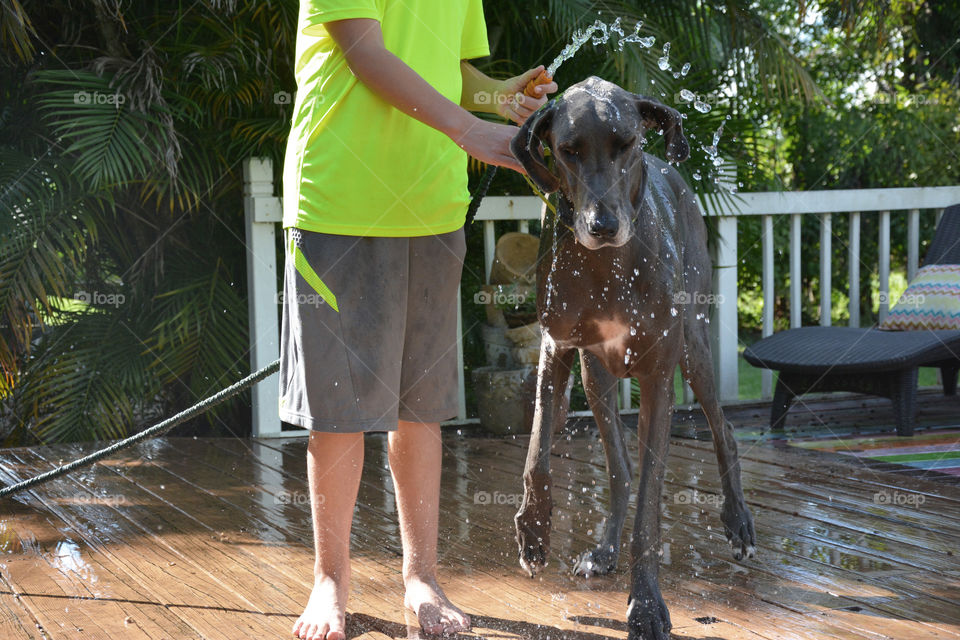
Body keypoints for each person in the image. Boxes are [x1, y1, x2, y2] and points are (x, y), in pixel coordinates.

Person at [278, 2, 557, 639]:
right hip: (341, 201)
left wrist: (498, 96)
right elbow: (365, 52)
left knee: (420, 406)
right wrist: (469, 131)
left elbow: (445, 70)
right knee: (340, 411)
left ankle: (421, 578)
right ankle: (331, 582)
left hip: (433, 205)